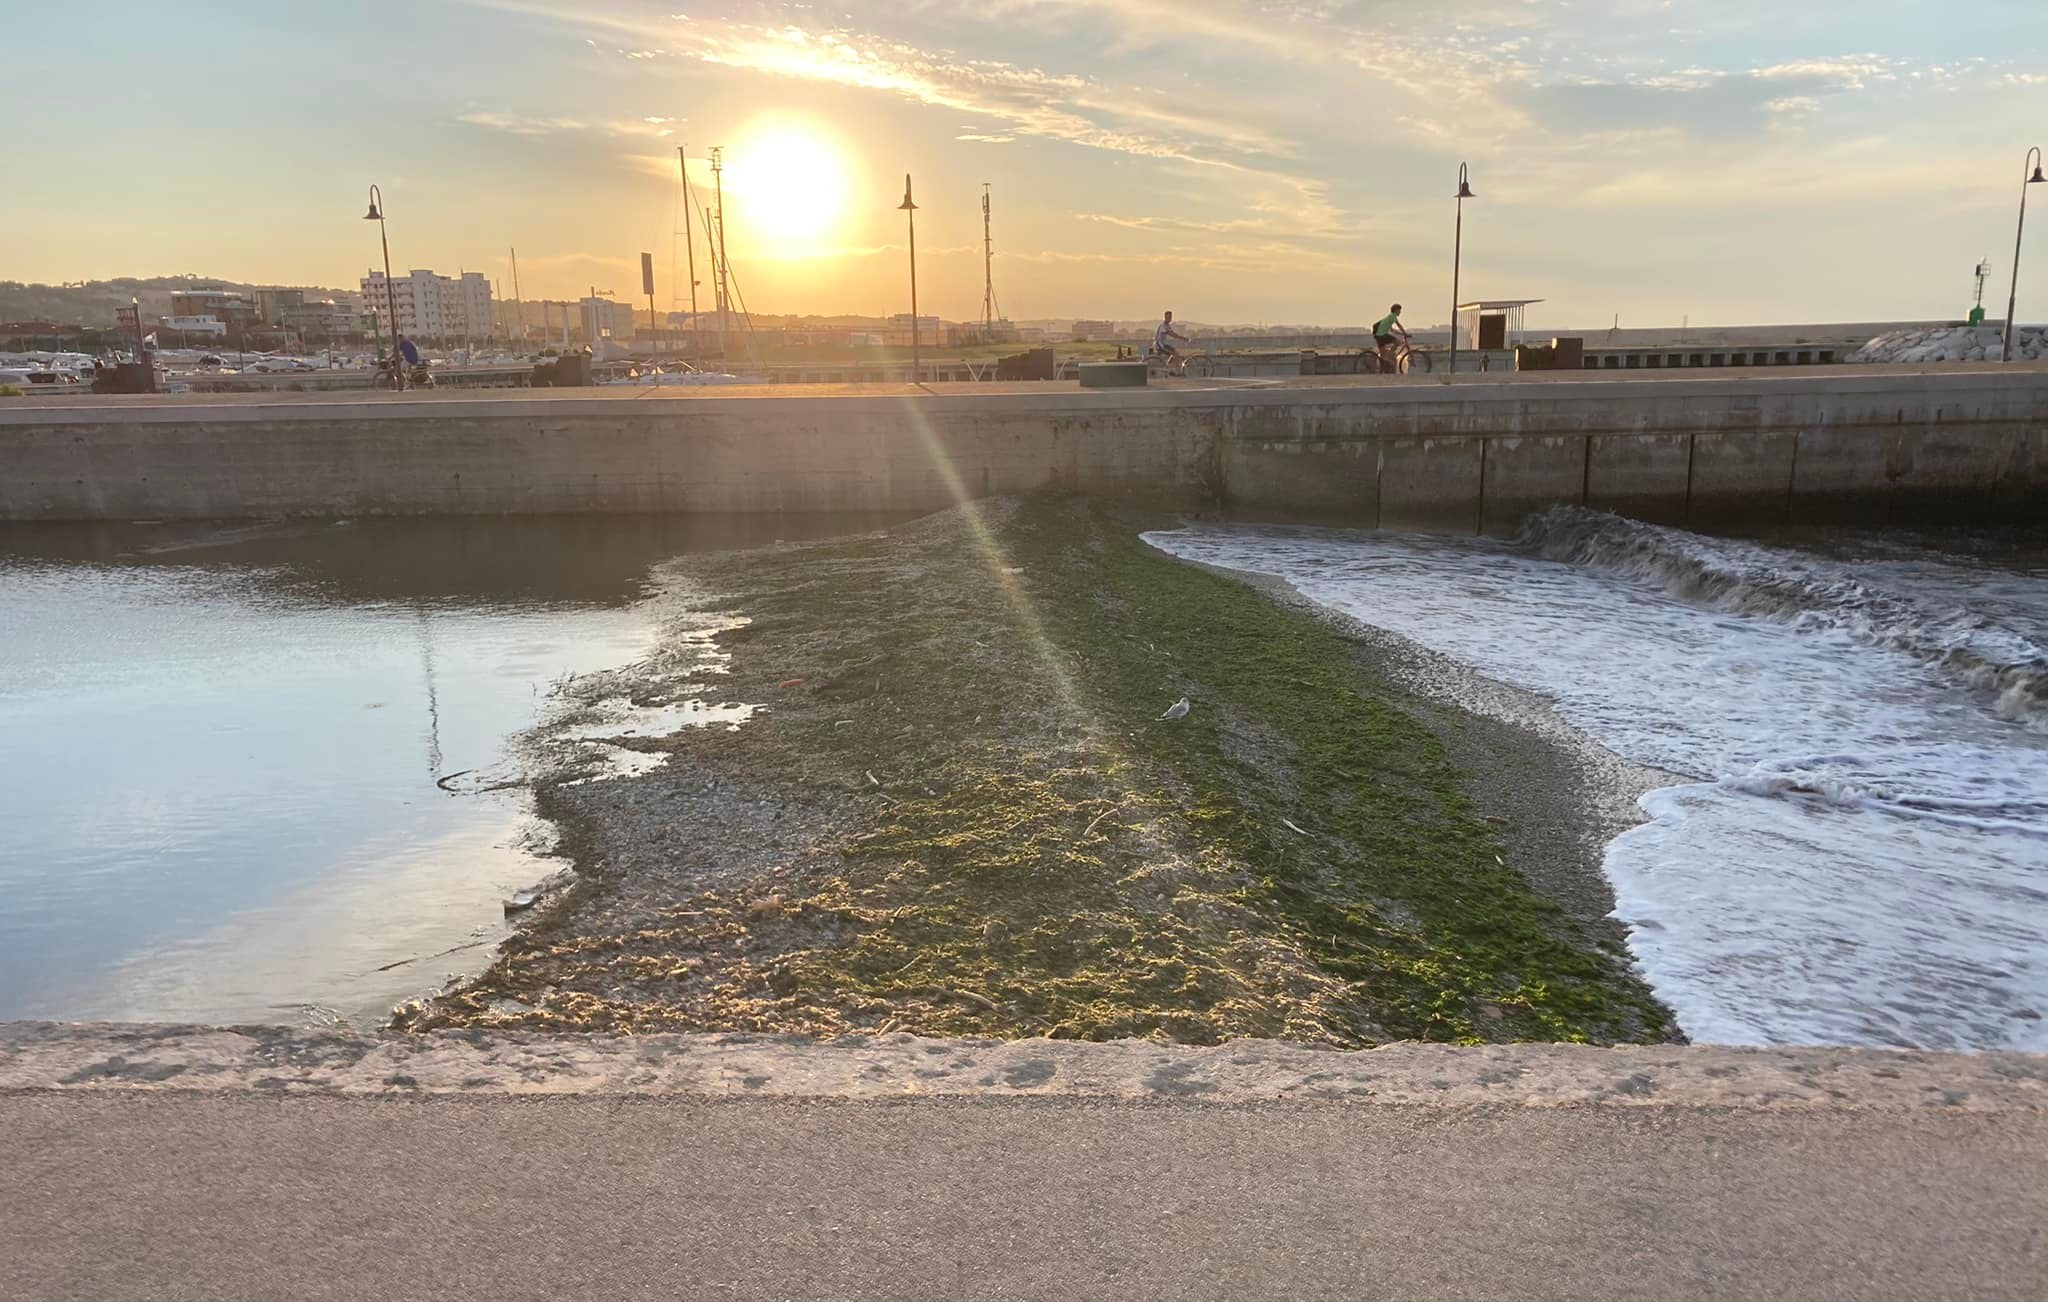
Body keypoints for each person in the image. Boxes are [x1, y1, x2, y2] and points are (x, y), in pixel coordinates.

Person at [1372, 303, 1408, 373]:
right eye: (1399, 311)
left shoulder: (1389, 317)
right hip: (1382, 335)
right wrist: (1405, 333)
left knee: (1382, 356)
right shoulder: (1393, 316)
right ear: (1395, 310)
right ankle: (1389, 356)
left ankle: (1381, 371)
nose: (1400, 312)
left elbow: (1392, 330)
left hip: (1378, 336)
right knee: (1397, 342)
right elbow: (1399, 325)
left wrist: (1402, 333)